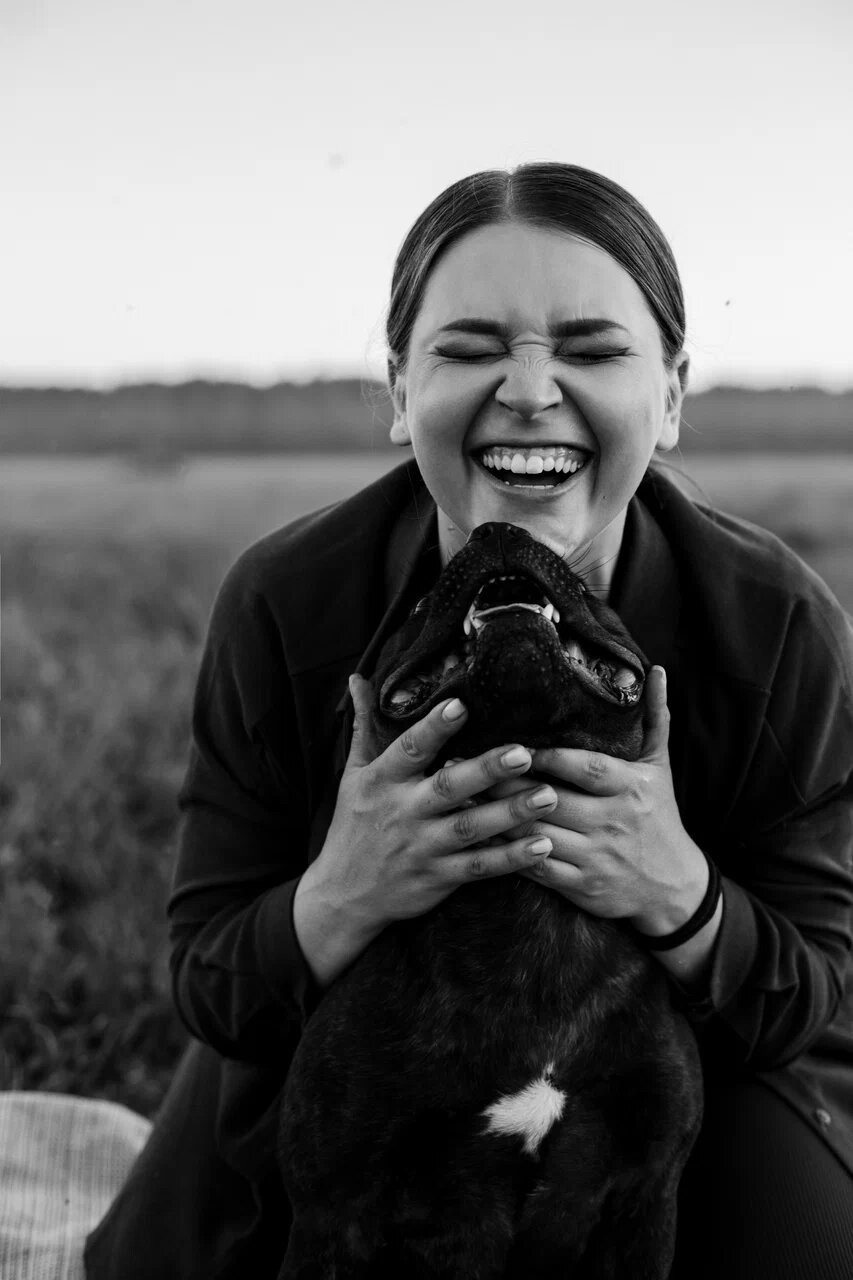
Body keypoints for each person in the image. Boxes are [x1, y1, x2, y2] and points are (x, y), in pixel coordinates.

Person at [85, 163, 853, 1280]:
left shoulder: (770, 622)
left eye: (591, 350)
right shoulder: (289, 600)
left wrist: (677, 892)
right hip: (346, 1047)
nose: (530, 389)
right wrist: (341, 888)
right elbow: (212, 980)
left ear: (673, 394)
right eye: (468, 347)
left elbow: (812, 991)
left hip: (698, 1065)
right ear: (399, 390)